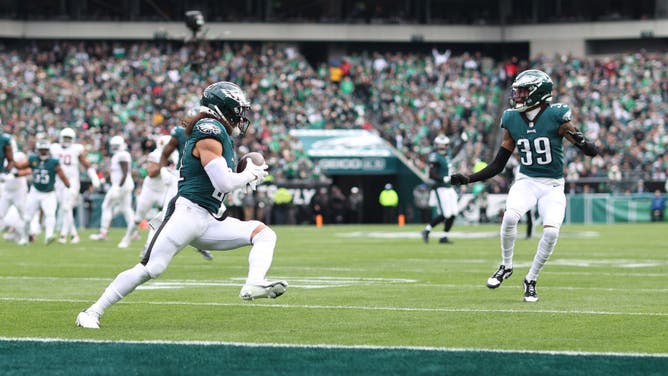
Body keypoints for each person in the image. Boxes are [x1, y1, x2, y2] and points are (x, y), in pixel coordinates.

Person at [76, 81, 287, 329]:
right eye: (238, 110)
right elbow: (223, 181)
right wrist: (249, 175)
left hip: (208, 219)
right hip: (186, 214)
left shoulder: (218, 133)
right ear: (225, 107)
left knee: (263, 234)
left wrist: (244, 177)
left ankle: (254, 282)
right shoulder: (210, 129)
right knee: (150, 268)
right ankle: (91, 312)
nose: (241, 117)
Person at [449, 69, 598, 302]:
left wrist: (583, 141)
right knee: (509, 217)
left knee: (550, 232)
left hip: (552, 186)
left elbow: (591, 152)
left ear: (538, 93)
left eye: (523, 91)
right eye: (517, 91)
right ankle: (506, 265)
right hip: (526, 181)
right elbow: (498, 164)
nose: (518, 95)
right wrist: (468, 178)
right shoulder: (511, 119)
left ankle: (531, 279)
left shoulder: (557, 117)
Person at [50, 127, 101, 244]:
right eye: (65, 138)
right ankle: (74, 234)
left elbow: (86, 164)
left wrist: (94, 177)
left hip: (72, 181)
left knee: (66, 207)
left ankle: (63, 235)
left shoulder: (76, 149)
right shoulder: (54, 148)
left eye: (69, 138)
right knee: (65, 207)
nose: (67, 140)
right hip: (58, 182)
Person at [16, 140, 73, 245]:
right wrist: (12, 163)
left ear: (48, 150)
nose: (43, 151)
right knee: (28, 217)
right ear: (38, 150)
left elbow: (61, 173)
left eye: (45, 150)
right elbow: (20, 166)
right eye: (41, 150)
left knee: (50, 214)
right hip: (35, 191)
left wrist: (67, 183)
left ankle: (48, 236)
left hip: (48, 193)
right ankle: (24, 238)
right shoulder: (33, 159)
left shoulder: (53, 162)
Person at [130, 135, 178, 248]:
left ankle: (200, 247)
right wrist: (164, 165)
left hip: (170, 191)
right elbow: (152, 173)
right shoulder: (156, 155)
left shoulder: (177, 155)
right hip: (160, 191)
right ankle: (146, 245)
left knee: (168, 218)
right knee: (160, 218)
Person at [89, 135, 136, 248]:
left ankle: (103, 232)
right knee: (126, 209)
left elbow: (124, 173)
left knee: (106, 206)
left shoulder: (122, 155)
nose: (114, 148)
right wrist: (104, 179)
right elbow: (117, 173)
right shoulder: (118, 155)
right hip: (125, 185)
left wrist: (118, 187)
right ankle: (134, 232)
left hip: (121, 185)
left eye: (116, 146)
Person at [421, 134, 466, 244]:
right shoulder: (434, 157)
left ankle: (443, 236)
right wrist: (444, 178)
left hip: (449, 188)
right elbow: (432, 174)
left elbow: (455, 151)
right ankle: (427, 230)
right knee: (446, 214)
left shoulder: (447, 154)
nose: (442, 148)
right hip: (440, 187)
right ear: (436, 145)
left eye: (444, 145)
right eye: (440, 146)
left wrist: (462, 141)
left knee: (454, 212)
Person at [0, 151, 31, 245]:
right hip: (7, 191)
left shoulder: (20, 156)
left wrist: (15, 175)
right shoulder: (3, 157)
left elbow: (29, 169)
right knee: (0, 213)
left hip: (19, 191)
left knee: (23, 214)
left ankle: (25, 237)